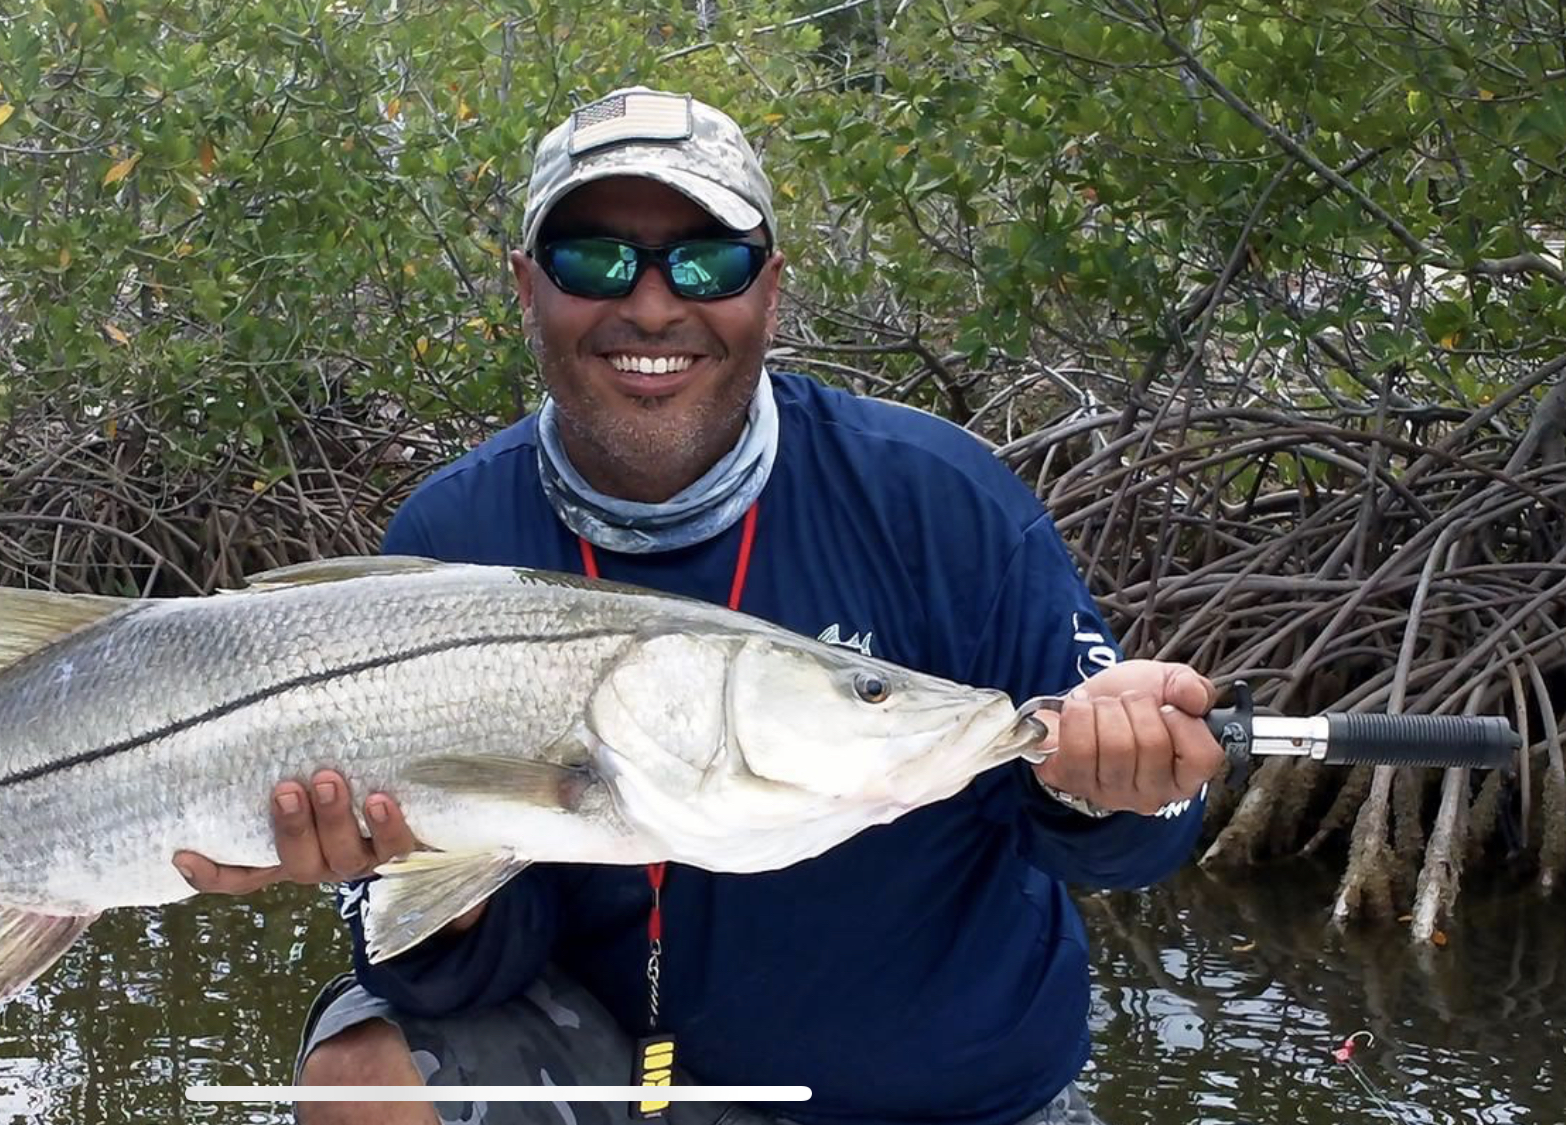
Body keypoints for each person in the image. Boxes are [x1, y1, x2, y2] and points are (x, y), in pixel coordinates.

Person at [172, 87, 1224, 1125]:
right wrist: (421, 877)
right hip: (626, 1078)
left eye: (706, 260)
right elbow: (443, 979)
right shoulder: (452, 538)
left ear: (768, 289)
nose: (651, 305)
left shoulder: (936, 497)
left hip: (953, 1100)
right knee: (359, 1084)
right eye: (594, 259)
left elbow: (1133, 846)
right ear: (526, 286)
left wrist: (1120, 783)